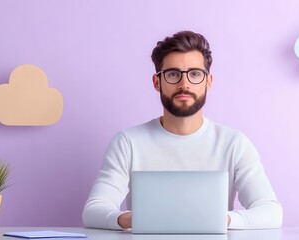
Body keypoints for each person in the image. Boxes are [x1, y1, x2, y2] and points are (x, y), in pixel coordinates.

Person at [82, 30, 283, 230]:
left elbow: (271, 212)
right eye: (173, 74)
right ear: (156, 82)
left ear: (208, 82)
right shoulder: (128, 142)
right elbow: (93, 211)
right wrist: (128, 219)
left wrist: (222, 219)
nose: (184, 84)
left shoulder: (234, 144)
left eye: (195, 74)